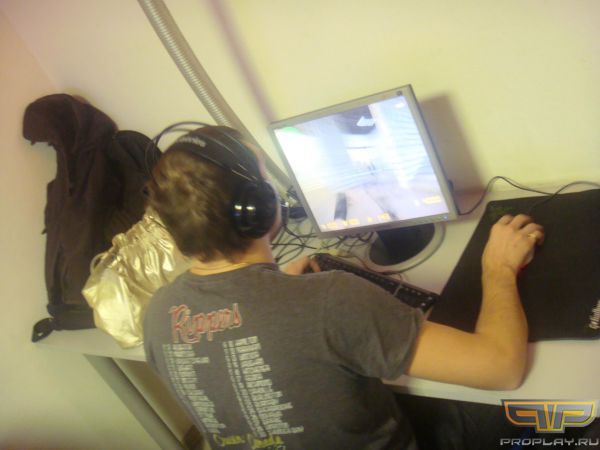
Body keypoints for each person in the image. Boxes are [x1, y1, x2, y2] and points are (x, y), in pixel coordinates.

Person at [143, 125, 544, 450]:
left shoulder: (158, 315)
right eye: (266, 182)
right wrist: (497, 267)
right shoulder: (329, 300)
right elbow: (501, 368)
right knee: (537, 406)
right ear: (259, 207)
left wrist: (280, 293)